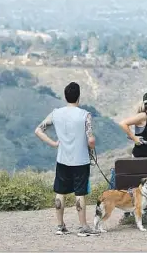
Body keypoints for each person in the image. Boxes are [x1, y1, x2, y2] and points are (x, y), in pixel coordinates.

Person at [34, 82, 100, 237]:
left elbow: (38, 130)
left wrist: (54, 143)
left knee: (60, 192)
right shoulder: (85, 115)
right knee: (80, 194)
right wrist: (91, 145)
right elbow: (90, 140)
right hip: (81, 160)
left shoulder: (56, 113)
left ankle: (60, 226)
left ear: (65, 96)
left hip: (62, 159)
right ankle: (83, 227)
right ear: (78, 96)